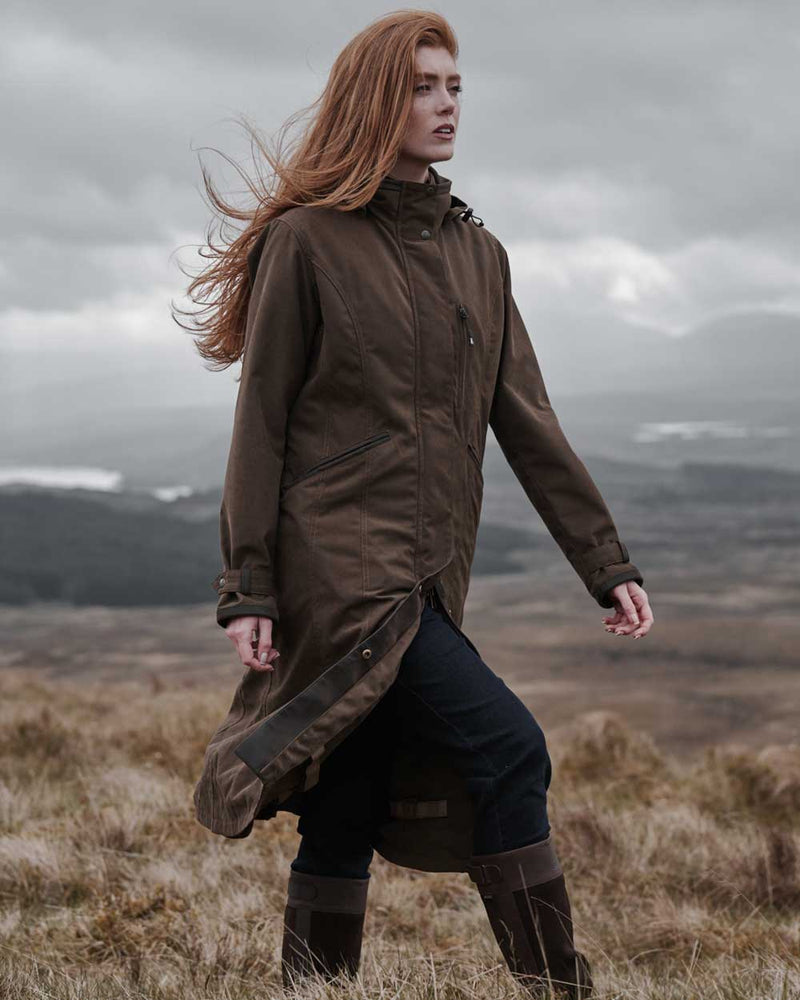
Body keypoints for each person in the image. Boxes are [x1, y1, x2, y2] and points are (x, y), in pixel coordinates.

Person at [176, 10, 654, 998]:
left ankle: (313, 988)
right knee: (509, 748)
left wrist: (603, 563)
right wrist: (248, 586)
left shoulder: (479, 256)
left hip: (434, 574)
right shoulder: (304, 244)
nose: (444, 106)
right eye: (421, 87)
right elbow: (260, 426)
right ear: (372, 103)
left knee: (349, 792)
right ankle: (558, 988)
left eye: (454, 88)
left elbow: (525, 419)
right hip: (339, 575)